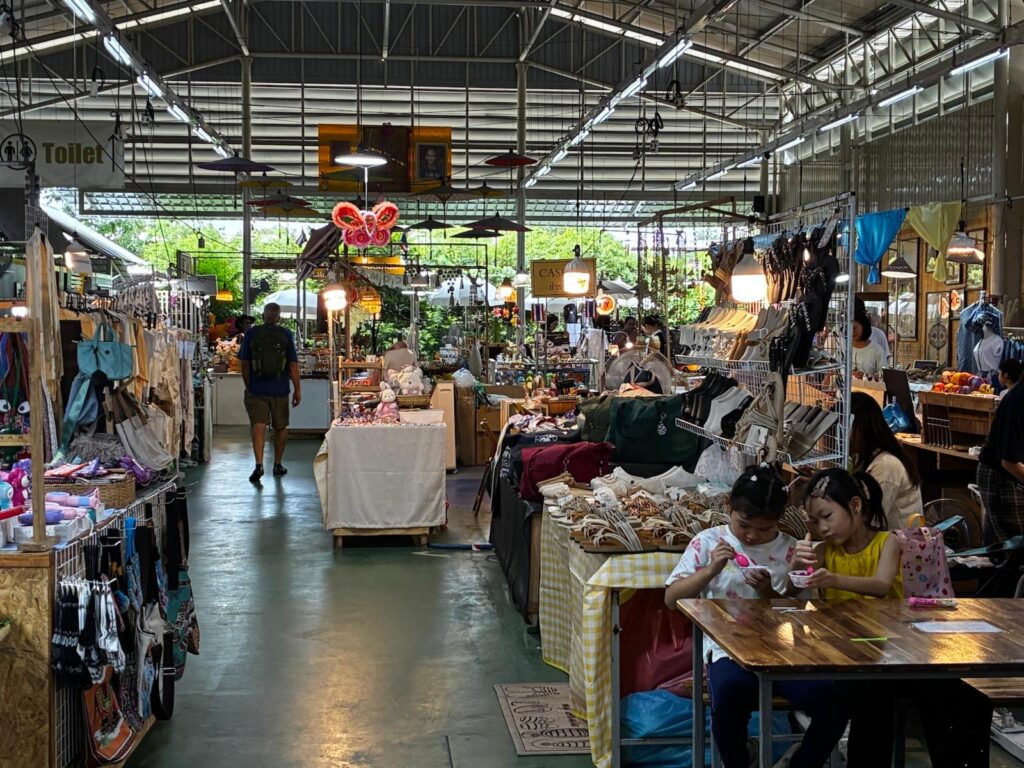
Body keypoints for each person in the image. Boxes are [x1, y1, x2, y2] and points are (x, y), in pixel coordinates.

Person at [798, 469, 991, 767]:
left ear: (855, 506)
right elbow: (789, 586)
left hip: (895, 652)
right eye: (816, 521)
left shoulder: (888, 542)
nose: (823, 527)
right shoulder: (824, 552)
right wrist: (799, 563)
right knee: (872, 698)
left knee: (963, 698)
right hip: (847, 658)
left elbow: (880, 585)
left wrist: (831, 579)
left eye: (827, 516)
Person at [665, 465, 848, 768]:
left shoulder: (792, 551)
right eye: (744, 524)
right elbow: (672, 599)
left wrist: (767, 594)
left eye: (764, 529)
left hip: (786, 652)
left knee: (833, 700)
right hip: (729, 649)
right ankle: (739, 760)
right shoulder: (708, 542)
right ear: (728, 508)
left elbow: (805, 612)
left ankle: (803, 763)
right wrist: (710, 571)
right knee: (729, 697)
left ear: (779, 519)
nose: (751, 535)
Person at [238, 303, 301, 484]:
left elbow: (244, 363)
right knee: (281, 427)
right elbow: (293, 365)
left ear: (263, 316)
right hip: (280, 389)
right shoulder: (285, 334)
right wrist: (298, 389)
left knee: (258, 425)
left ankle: (259, 464)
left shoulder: (251, 333)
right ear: (279, 317)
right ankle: (277, 464)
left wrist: (249, 385)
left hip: (256, 390)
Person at [849, 392, 922, 530]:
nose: (841, 436)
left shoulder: (886, 466)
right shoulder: (866, 458)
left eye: (846, 428)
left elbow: (870, 523)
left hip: (899, 547)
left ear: (862, 427)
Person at [977, 355, 1024, 543]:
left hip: (1010, 471)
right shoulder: (1018, 400)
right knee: (1014, 546)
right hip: (1001, 475)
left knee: (996, 549)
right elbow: (1009, 461)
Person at [854, 297, 891, 363]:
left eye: (854, 328)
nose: (852, 332)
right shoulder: (840, 337)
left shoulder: (878, 334)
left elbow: (885, 361)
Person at [851, 312, 885, 377]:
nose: (852, 332)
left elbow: (884, 375)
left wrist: (866, 376)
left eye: (854, 328)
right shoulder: (844, 348)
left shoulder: (877, 350)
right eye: (848, 328)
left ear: (864, 327)